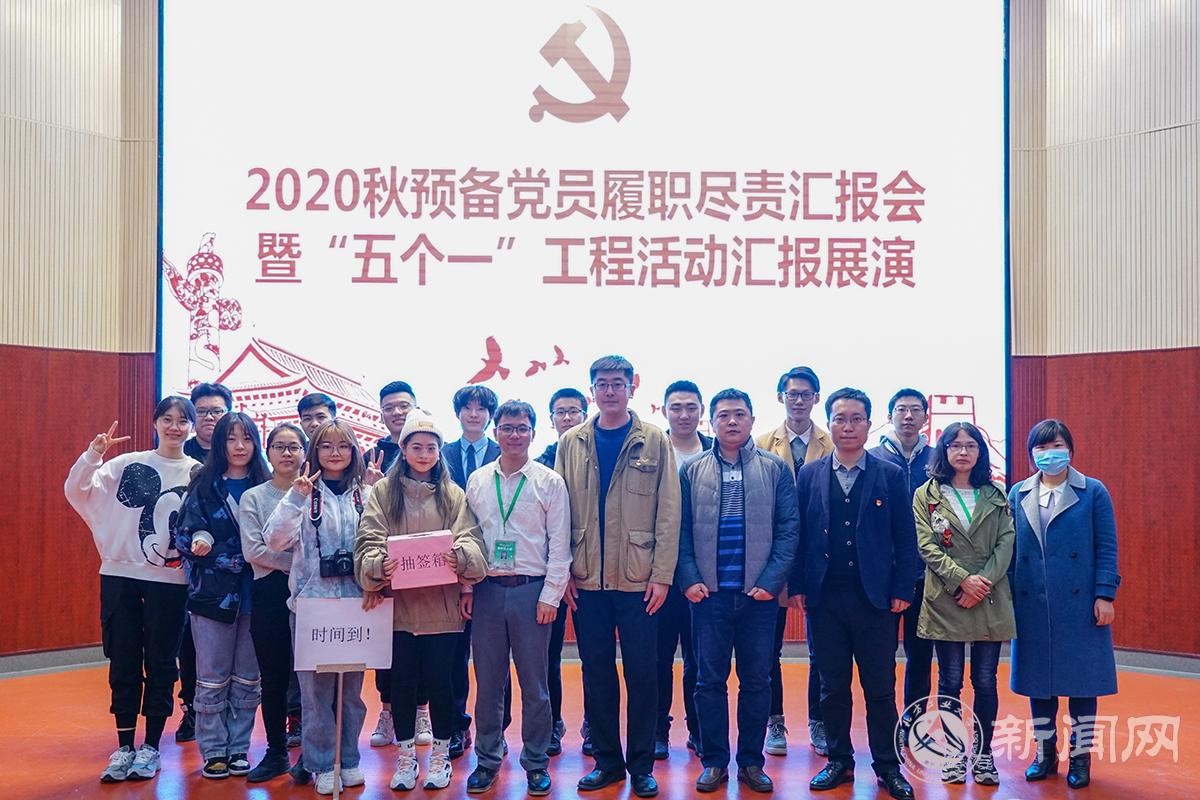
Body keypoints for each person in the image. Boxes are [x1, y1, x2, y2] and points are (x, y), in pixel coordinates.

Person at [555, 355, 681, 798]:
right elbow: (559, 513)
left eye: (618, 383)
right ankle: (607, 762)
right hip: (586, 579)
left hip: (639, 581)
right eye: (602, 384)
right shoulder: (572, 442)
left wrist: (662, 575)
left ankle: (641, 766)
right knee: (596, 673)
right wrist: (562, 572)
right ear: (592, 390)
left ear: (632, 387)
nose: (610, 391)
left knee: (644, 674)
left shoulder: (654, 440)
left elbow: (669, 511)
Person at [788, 387, 919, 800]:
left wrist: (902, 588)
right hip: (825, 600)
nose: (848, 426)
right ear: (829, 423)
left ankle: (888, 766)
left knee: (880, 688)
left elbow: (905, 537)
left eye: (856, 419)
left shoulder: (890, 474)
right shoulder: (810, 474)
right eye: (840, 419)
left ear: (869, 424)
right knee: (832, 687)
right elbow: (799, 535)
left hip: (875, 601)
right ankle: (839, 761)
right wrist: (796, 586)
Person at [64, 397, 200, 783]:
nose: (174, 427)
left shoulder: (198, 472)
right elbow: (77, 490)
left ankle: (151, 746)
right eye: (167, 419)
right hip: (119, 574)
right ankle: (124, 746)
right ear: (155, 422)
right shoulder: (125, 464)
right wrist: (94, 454)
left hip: (170, 582)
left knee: (161, 663)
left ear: (191, 428)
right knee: (122, 659)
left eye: (182, 421)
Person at [355, 410, 488, 791]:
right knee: (401, 684)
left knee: (441, 682)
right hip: (397, 609)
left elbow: (470, 538)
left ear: (439, 451)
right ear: (403, 449)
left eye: (431, 448)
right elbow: (368, 539)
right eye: (417, 447)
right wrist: (379, 564)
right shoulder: (384, 492)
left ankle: (441, 757)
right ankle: (406, 758)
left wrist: (460, 557)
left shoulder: (452, 494)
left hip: (441, 609)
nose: (424, 454)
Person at [677, 389, 798, 794]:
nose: (732, 421)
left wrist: (771, 582)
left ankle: (750, 762)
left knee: (757, 681)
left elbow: (789, 529)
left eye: (740, 414)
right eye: (724, 415)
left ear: (751, 420)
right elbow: (679, 531)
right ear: (711, 422)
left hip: (757, 597)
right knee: (708, 681)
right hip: (708, 595)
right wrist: (689, 578)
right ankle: (714, 761)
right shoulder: (692, 469)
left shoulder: (774, 468)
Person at [462, 400, 571, 796]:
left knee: (535, 685)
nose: (514, 435)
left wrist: (551, 597)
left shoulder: (549, 482)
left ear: (533, 433)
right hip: (487, 590)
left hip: (531, 591)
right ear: (495, 432)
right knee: (489, 684)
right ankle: (487, 760)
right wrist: (466, 587)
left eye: (522, 428)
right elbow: (467, 537)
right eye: (507, 428)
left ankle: (537, 762)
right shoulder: (477, 480)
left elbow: (560, 544)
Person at [1008, 419, 1120, 790]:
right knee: (1039, 685)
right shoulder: (1018, 493)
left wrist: (1105, 594)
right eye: (1041, 447)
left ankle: (1081, 757)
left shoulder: (1093, 491)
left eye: (1056, 445)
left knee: (1083, 685)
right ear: (1031, 454)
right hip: (1032, 602)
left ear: (1070, 449)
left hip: (1080, 603)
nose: (1050, 453)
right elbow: (1010, 550)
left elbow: (1107, 546)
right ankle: (1045, 754)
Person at [264, 419, 371, 796]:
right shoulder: (303, 492)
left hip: (358, 606)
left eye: (343, 446)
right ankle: (322, 763)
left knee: (351, 694)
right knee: (315, 695)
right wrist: (295, 498)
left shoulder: (366, 494)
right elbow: (274, 540)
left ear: (354, 451)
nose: (335, 453)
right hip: (311, 607)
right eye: (326, 446)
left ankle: (349, 759)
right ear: (315, 451)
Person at [912, 421, 1015, 786]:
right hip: (947, 596)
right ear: (944, 451)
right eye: (955, 445)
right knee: (950, 680)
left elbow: (1006, 543)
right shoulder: (926, 494)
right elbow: (926, 546)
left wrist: (980, 584)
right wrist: (962, 580)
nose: (963, 452)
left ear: (980, 452)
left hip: (988, 595)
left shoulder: (996, 494)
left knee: (985, 680)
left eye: (971, 445)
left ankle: (984, 755)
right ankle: (955, 754)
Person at [175, 412, 270, 780]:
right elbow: (183, 536)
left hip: (259, 597)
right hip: (212, 599)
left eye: (246, 438)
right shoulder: (203, 484)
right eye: (231, 439)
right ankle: (214, 749)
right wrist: (204, 543)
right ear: (219, 444)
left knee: (248, 676)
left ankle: (239, 747)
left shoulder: (267, 485)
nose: (240, 446)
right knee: (212, 676)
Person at [755, 366, 833, 757]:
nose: (798, 400)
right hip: (772, 558)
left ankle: (819, 721)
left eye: (805, 394)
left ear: (816, 398)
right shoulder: (761, 443)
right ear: (780, 398)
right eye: (791, 394)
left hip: (819, 558)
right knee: (768, 650)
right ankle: (775, 721)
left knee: (821, 651)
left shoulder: (832, 443)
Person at [238, 422, 308, 782]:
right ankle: (277, 752)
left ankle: (314, 753)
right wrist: (302, 562)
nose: (286, 453)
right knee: (274, 677)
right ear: (268, 453)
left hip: (312, 594)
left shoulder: (316, 493)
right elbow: (254, 551)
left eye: (294, 446)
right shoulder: (254, 497)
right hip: (269, 594)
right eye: (279, 446)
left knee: (313, 678)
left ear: (305, 453)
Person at [363, 380, 426, 749]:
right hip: (386, 572)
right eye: (390, 407)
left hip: (428, 569)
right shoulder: (373, 455)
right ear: (382, 413)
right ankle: (386, 713)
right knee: (386, 649)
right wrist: (370, 487)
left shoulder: (432, 451)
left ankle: (422, 712)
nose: (397, 413)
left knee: (424, 646)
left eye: (404, 406)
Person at [869, 389, 937, 728]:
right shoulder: (872, 458)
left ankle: (915, 720)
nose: (908, 416)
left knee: (921, 654)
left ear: (925, 416)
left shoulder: (939, 459)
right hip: (882, 575)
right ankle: (885, 722)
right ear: (889, 416)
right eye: (900, 409)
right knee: (880, 655)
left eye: (915, 410)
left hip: (927, 573)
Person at [441, 384, 501, 758]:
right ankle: (456, 725)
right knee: (454, 654)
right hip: (450, 565)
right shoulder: (440, 454)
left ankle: (497, 732)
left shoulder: (505, 452)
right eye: (468, 408)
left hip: (496, 566)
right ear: (458, 413)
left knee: (496, 657)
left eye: (482, 408)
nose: (474, 414)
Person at [656, 379, 713, 758]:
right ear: (664, 411)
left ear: (701, 412)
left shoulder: (715, 452)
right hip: (658, 574)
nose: (683, 414)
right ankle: (658, 731)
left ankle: (699, 730)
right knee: (657, 659)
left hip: (702, 575)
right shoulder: (651, 449)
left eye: (691, 407)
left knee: (699, 661)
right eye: (676, 407)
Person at [177, 381, 234, 743]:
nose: (210, 417)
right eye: (203, 412)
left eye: (217, 411)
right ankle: (192, 709)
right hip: (193, 570)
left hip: (236, 571)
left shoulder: (243, 455)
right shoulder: (180, 455)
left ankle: (231, 714)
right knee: (190, 643)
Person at [536, 386, 589, 757]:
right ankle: (552, 723)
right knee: (548, 656)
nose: (567, 417)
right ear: (551, 418)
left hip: (588, 572)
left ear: (585, 414)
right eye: (561, 412)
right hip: (550, 575)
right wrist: (559, 574)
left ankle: (594, 723)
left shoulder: (595, 456)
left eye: (574, 411)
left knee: (593, 656)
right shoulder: (538, 463)